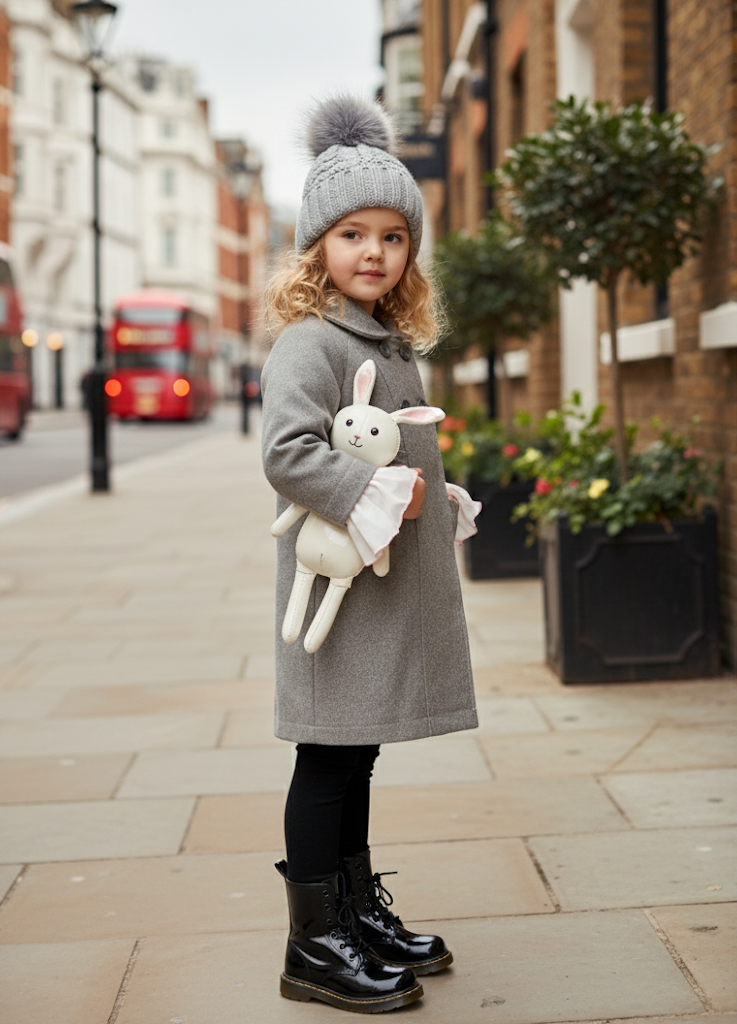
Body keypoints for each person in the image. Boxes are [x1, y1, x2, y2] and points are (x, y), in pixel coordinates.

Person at [260, 95, 480, 1015]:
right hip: (338, 594)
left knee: (358, 752)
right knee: (327, 755)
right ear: (317, 247)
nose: (374, 252)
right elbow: (288, 452)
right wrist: (374, 499)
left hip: (380, 589)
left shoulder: (385, 339)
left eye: (392, 236)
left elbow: (398, 445)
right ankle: (313, 943)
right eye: (352, 233)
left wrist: (442, 493)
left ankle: (352, 910)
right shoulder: (310, 343)